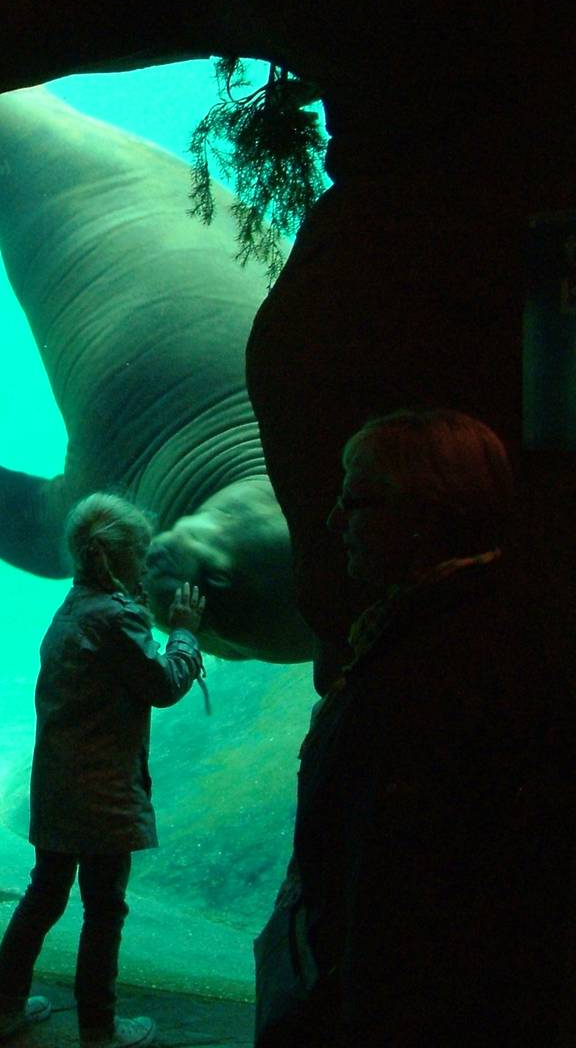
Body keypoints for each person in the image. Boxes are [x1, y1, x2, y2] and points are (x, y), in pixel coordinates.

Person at [258, 408, 573, 1046]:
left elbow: (405, 886)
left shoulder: (438, 671)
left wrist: (353, 1009)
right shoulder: (468, 630)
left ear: (425, 516)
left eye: (355, 500)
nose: (332, 521)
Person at [0, 492, 205, 1047]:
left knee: (45, 896)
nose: (148, 560)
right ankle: (99, 1031)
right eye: (143, 552)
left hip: (57, 787)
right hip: (101, 791)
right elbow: (162, 685)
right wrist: (183, 631)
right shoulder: (115, 618)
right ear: (116, 557)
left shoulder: (71, 608)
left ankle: (3, 1010)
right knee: (104, 909)